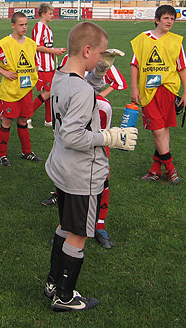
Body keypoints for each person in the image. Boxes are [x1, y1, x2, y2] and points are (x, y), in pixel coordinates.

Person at [44, 22, 138, 312]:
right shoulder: (81, 89)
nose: (101, 58)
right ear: (87, 50)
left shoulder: (61, 76)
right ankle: (65, 296)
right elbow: (74, 136)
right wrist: (110, 137)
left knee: (66, 226)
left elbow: (80, 93)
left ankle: (53, 283)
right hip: (81, 172)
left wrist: (97, 73)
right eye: (99, 54)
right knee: (78, 234)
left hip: (62, 166)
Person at [42, 54, 128, 250]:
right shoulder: (67, 69)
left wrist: (98, 81)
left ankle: (99, 225)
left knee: (102, 178)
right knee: (72, 182)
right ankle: (65, 227)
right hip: (74, 146)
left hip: (92, 136)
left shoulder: (71, 75)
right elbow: (72, 135)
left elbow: (118, 82)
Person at [131, 4, 186, 185]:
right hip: (148, 91)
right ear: (157, 20)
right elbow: (135, 65)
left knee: (163, 129)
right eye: (166, 18)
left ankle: (155, 170)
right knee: (157, 130)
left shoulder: (176, 41)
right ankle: (171, 169)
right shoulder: (143, 39)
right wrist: (134, 88)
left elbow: (182, 67)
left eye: (172, 19)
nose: (169, 22)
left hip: (168, 90)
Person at [0, 12, 42, 167]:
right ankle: (3, 155)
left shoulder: (30, 43)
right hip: (10, 91)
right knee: (7, 120)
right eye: (21, 25)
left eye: (26, 24)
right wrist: (4, 72)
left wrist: (32, 75)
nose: (24, 27)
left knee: (23, 120)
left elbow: (35, 62)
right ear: (13, 25)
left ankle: (27, 152)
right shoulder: (5, 43)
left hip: (26, 89)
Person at [30, 3, 66, 128]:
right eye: (50, 13)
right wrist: (54, 51)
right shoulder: (39, 27)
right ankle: (26, 115)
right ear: (43, 14)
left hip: (50, 65)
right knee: (48, 92)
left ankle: (48, 119)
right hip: (43, 66)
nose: (52, 16)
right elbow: (36, 46)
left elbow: (46, 46)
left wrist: (55, 50)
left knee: (50, 91)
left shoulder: (47, 28)